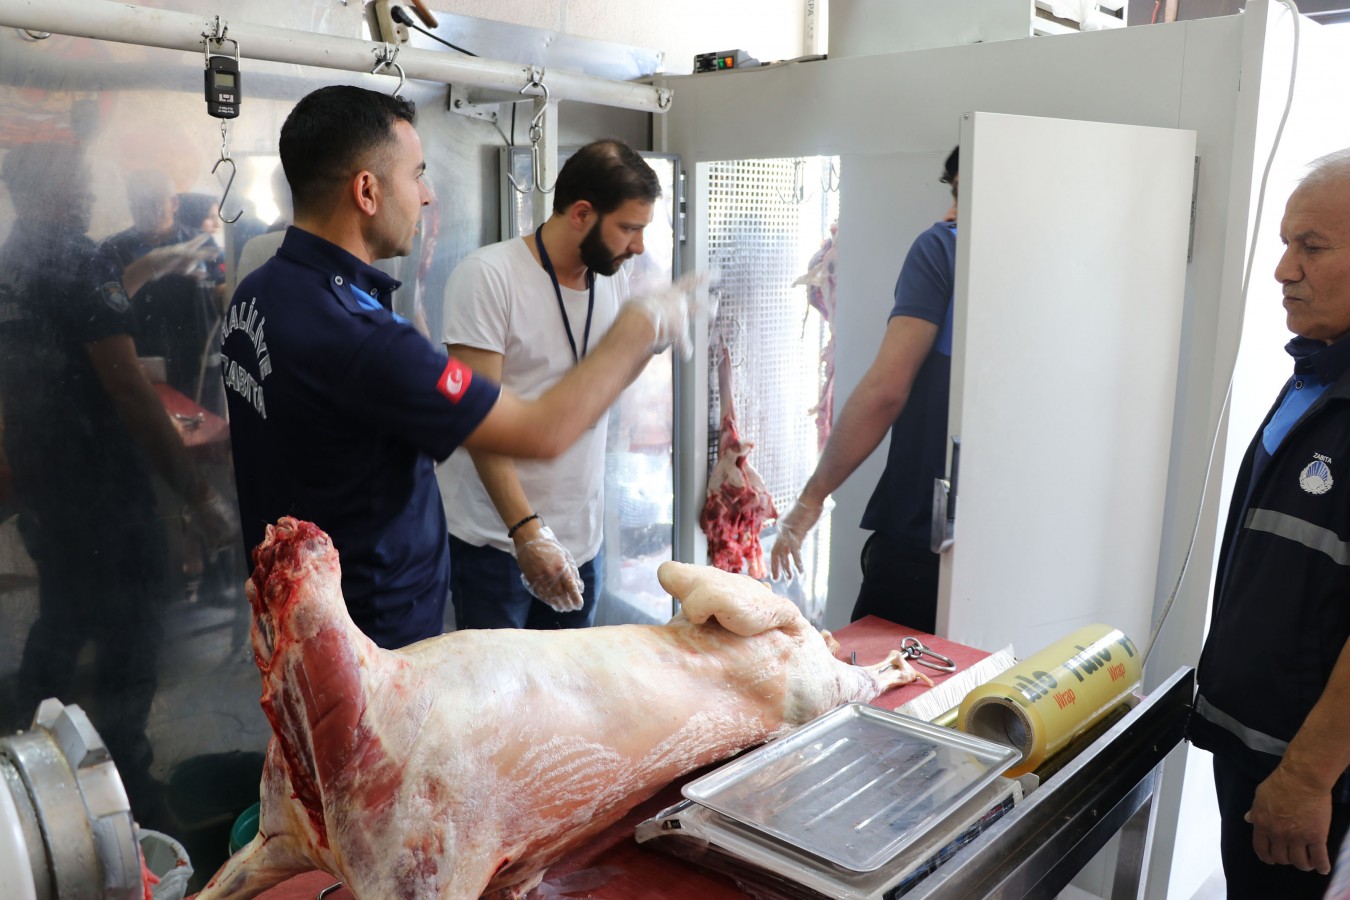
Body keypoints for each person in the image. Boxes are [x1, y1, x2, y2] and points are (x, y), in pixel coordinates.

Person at [222, 86, 698, 650]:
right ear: (367, 191)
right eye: (417, 174)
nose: (425, 195)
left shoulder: (258, 291)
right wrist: (639, 329)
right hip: (373, 642)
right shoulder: (367, 338)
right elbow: (540, 432)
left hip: (301, 618)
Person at [0, 141, 235, 825]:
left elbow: (81, 316)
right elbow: (130, 389)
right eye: (74, 179)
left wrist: (162, 261)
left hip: (43, 470)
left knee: (64, 609)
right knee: (134, 624)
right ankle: (128, 779)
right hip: (104, 483)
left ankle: (30, 761)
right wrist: (199, 494)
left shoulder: (12, 260)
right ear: (50, 189)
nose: (84, 191)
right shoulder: (82, 257)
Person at [1188, 149, 1350, 899]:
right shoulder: (1316, 373)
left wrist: (1310, 775)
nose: (1284, 270)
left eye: (1311, 247)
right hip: (1256, 745)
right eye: (1285, 244)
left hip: (1310, 774)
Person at [438, 140, 657, 629]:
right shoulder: (489, 277)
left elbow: (598, 390)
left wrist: (646, 340)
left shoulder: (612, 277)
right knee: (500, 700)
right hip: (496, 545)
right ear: (581, 213)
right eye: (629, 228)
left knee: (568, 699)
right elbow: (475, 418)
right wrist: (526, 532)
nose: (638, 246)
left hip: (583, 542)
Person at [770, 147, 959, 633]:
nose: (949, 213)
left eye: (962, 194)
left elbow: (885, 391)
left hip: (922, 537)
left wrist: (810, 501)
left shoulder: (941, 248)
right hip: (999, 551)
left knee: (880, 688)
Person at [103, 171, 227, 413]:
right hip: (144, 361)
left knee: (208, 431)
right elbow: (105, 304)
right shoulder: (114, 249)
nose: (146, 209)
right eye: (138, 202)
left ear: (174, 203)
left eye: (154, 201)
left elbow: (219, 286)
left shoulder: (202, 242)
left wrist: (233, 290)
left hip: (199, 363)